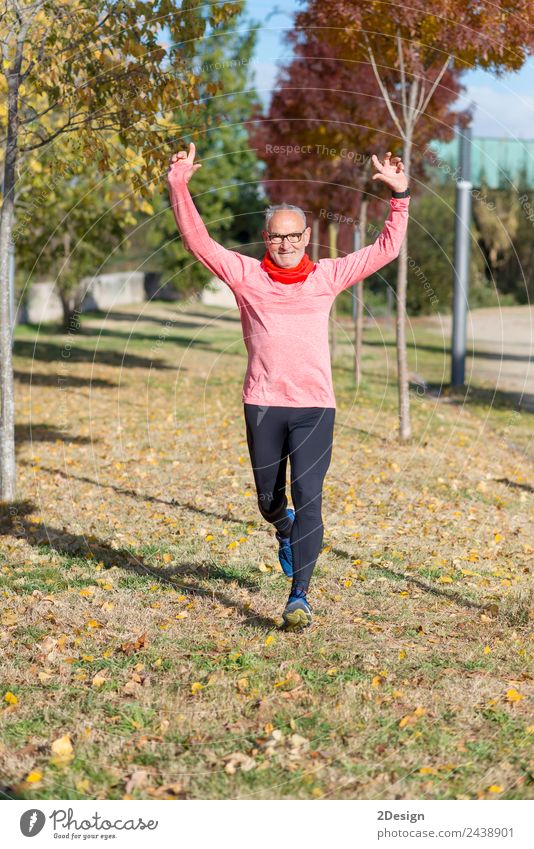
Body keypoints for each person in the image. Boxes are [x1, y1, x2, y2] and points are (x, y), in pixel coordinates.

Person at [166, 143, 410, 630]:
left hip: (315, 406)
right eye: (277, 238)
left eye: (294, 236)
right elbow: (199, 243)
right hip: (262, 403)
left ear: (305, 237)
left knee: (310, 496)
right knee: (268, 500)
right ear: (266, 238)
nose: (286, 244)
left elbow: (387, 249)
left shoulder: (327, 276)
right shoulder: (246, 276)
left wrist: (399, 197)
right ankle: (283, 529)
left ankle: (299, 596)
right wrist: (179, 185)